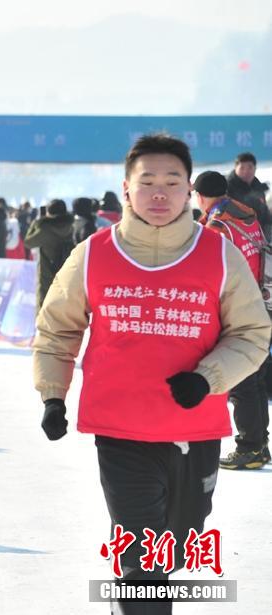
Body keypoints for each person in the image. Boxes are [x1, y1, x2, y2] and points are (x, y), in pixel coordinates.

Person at [33, 134, 270, 614]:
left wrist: (207, 378)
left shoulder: (218, 254)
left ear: (189, 191)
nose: (159, 193)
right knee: (140, 560)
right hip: (120, 430)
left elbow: (250, 333)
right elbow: (57, 329)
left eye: (171, 182)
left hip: (194, 429)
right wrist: (53, 395)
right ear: (126, 189)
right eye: (147, 183)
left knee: (178, 546)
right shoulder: (93, 253)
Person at [194, 170, 271, 470]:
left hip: (239, 308)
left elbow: (206, 272)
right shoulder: (246, 214)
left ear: (200, 197)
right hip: (262, 300)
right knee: (255, 378)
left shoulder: (218, 227)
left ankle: (250, 447)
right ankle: (259, 445)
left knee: (242, 380)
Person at [23, 199, 74, 310]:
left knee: (45, 306)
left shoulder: (45, 228)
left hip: (47, 272)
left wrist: (36, 223)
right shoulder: (71, 226)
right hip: (69, 271)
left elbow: (28, 242)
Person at [226, 152, 270, 235]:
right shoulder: (227, 188)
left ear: (255, 168)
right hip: (238, 234)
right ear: (235, 168)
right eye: (242, 168)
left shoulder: (258, 186)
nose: (246, 171)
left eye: (250, 167)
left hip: (260, 234)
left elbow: (264, 213)